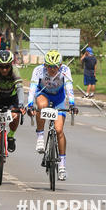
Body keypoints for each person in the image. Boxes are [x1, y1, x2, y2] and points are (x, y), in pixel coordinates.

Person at [28, 50, 76, 181]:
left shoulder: (65, 69)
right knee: (42, 107)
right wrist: (30, 104)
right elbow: (32, 88)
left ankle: (62, 166)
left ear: (60, 66)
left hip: (59, 99)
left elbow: (69, 87)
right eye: (49, 66)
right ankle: (40, 137)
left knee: (59, 130)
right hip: (43, 94)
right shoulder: (38, 70)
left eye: (55, 67)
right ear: (45, 65)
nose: (52, 69)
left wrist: (72, 103)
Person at [0, 50, 26, 172]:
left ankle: (11, 136)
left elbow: (19, 89)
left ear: (10, 65)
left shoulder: (14, 70)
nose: (4, 70)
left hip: (11, 99)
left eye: (7, 66)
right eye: (2, 67)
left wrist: (21, 104)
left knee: (15, 116)